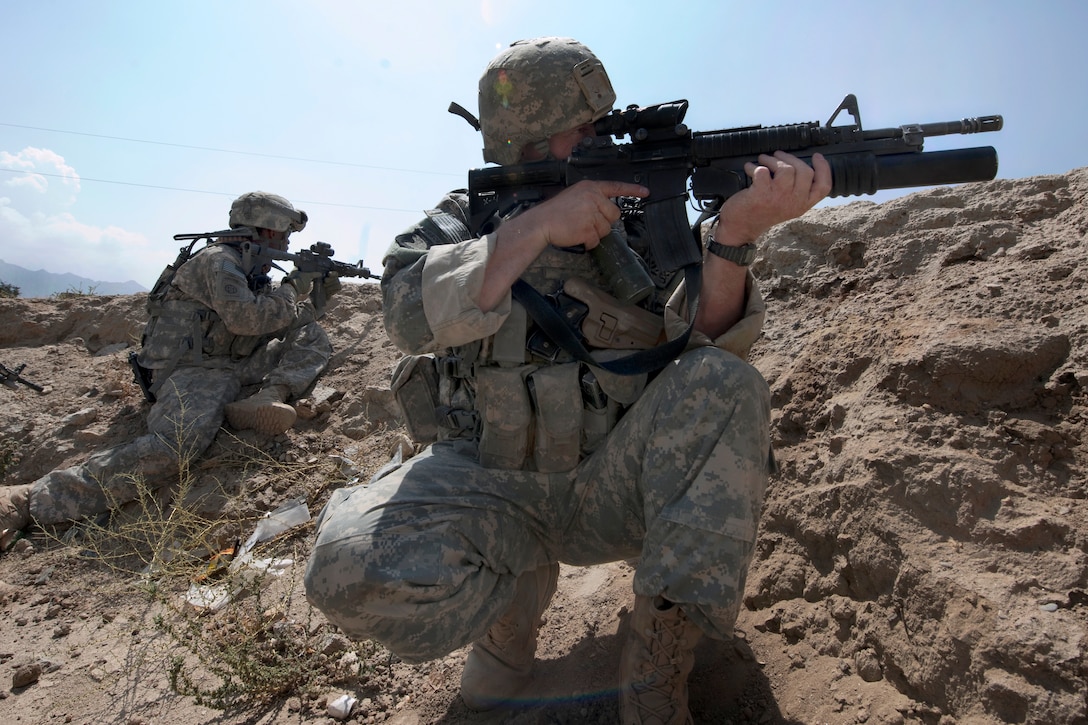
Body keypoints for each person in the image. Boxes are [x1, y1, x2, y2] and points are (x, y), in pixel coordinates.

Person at [304, 38, 831, 723]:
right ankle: (507, 614)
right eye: (582, 127)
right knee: (342, 567)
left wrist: (734, 237)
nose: (601, 136)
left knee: (724, 383)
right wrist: (536, 230)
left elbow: (706, 343)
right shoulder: (464, 218)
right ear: (526, 141)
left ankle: (656, 664)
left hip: (614, 483)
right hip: (490, 486)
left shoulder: (636, 213)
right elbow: (406, 311)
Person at [0, 191, 335, 550]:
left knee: (310, 334)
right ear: (268, 230)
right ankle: (31, 498)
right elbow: (246, 319)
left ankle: (270, 395)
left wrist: (317, 298)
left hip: (229, 361)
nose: (287, 242)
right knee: (176, 448)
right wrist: (292, 287)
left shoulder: (250, 266)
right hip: (190, 370)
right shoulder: (219, 261)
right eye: (285, 234)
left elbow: (276, 320)